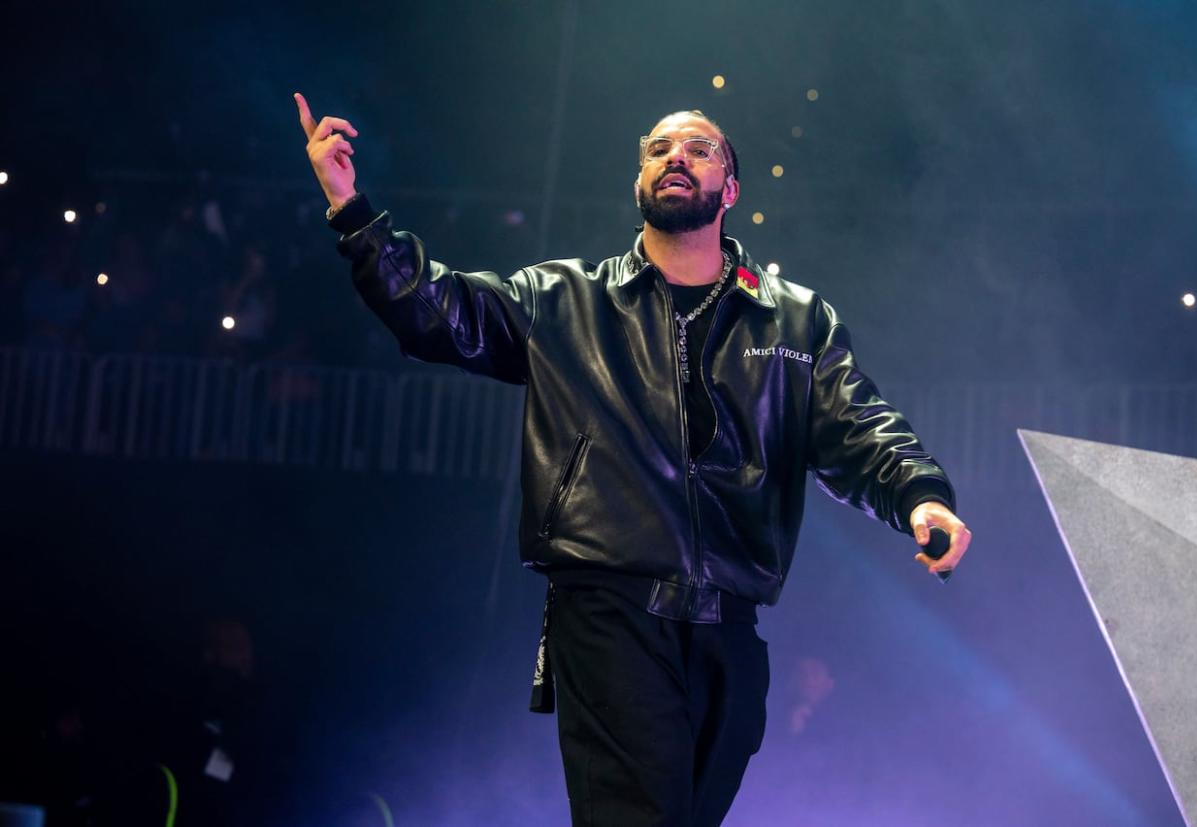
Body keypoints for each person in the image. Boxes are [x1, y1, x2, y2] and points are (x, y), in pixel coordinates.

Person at [294, 92, 972, 827]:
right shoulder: (565, 300)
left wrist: (918, 495)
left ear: (731, 188)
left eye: (698, 149)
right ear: (639, 181)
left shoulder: (793, 319)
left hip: (729, 629)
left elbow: (855, 424)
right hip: (609, 608)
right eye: (658, 149)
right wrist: (350, 208)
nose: (675, 157)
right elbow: (436, 310)